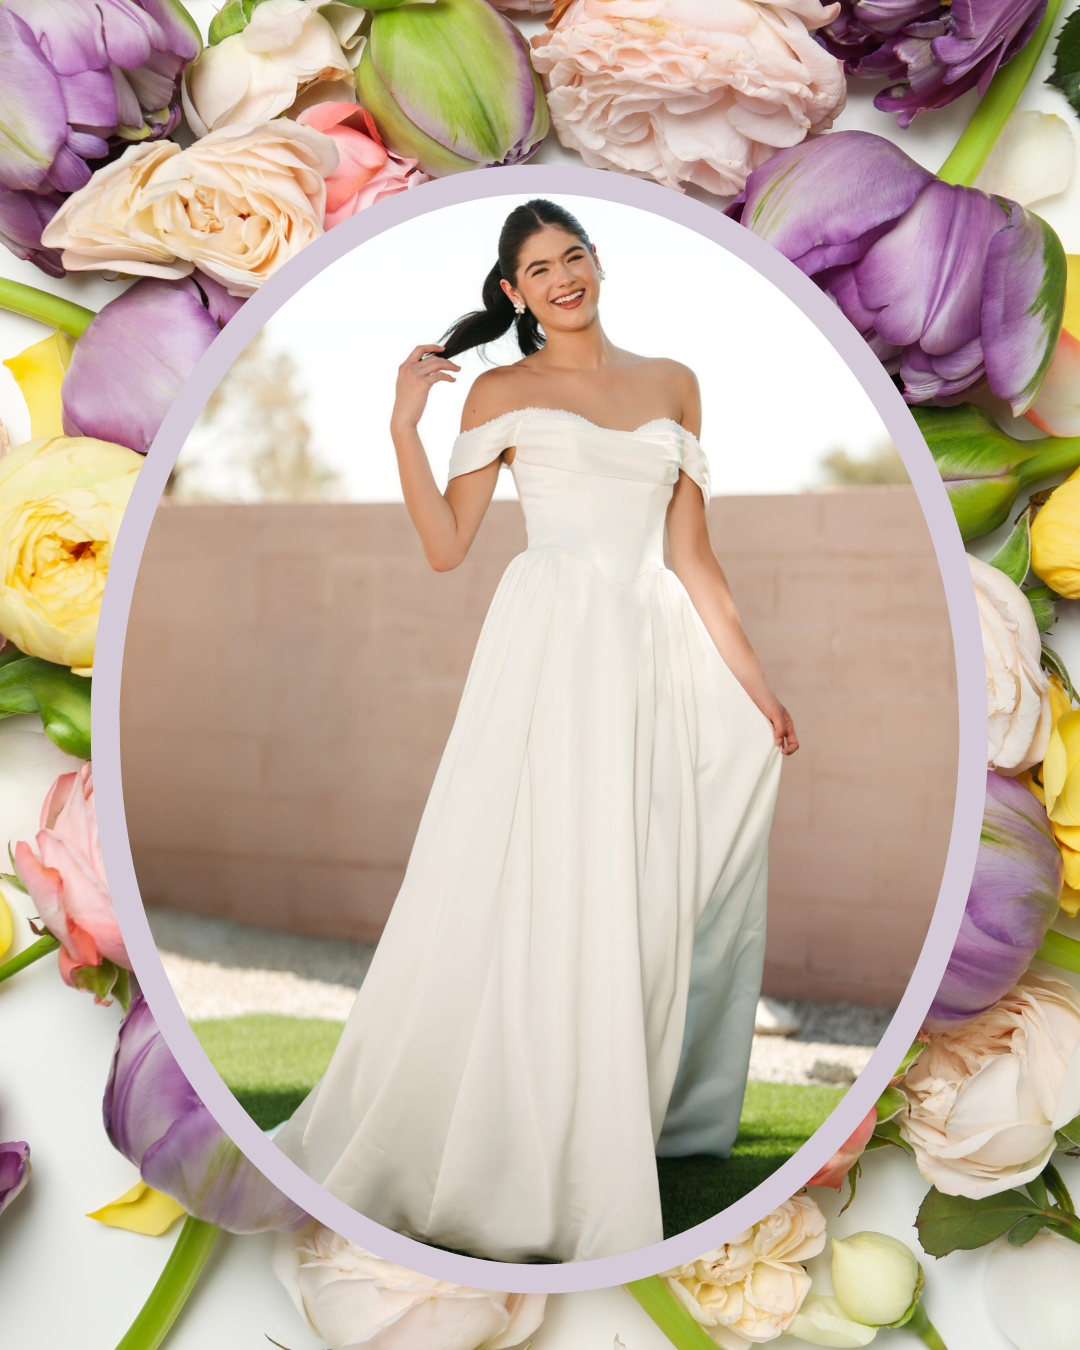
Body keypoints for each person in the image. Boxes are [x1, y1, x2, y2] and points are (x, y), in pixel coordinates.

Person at [272, 198, 798, 1264]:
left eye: (575, 256)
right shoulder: (504, 391)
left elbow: (695, 559)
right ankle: (511, 1124)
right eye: (538, 268)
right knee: (528, 872)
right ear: (512, 293)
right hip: (550, 646)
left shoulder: (674, 382)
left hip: (646, 650)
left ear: (598, 264)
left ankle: (609, 1105)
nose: (563, 277)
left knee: (637, 878)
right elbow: (446, 545)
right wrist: (400, 426)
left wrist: (758, 685)